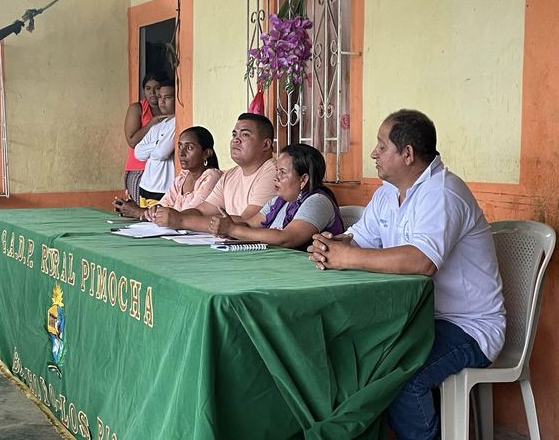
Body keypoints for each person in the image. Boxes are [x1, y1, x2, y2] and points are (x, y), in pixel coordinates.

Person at [308, 109, 506, 440]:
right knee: (355, 355)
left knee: (400, 376)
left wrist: (348, 257)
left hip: (467, 326)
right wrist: (332, 246)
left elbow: (422, 261)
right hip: (414, 318)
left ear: (408, 154)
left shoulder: (442, 193)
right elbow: (359, 240)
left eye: (381, 146)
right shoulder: (387, 193)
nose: (373, 153)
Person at [146, 113, 277, 231]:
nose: (236, 140)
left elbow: (247, 221)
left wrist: (180, 220)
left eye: (245, 135)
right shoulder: (230, 175)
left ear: (266, 145)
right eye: (234, 135)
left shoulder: (273, 171)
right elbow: (202, 211)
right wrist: (169, 215)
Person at [208, 143, 343, 250]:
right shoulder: (278, 202)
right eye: (277, 170)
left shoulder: (318, 202)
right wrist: (228, 228)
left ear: (303, 180)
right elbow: (250, 225)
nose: (276, 177)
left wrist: (233, 229)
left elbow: (287, 238)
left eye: (282, 172)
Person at [114, 126, 221, 218]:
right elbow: (163, 206)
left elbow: (190, 216)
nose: (181, 153)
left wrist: (139, 212)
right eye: (180, 146)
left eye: (189, 147)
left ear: (206, 153)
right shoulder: (183, 177)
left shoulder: (212, 177)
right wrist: (139, 210)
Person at [123, 73, 166, 203]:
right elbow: (132, 141)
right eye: (148, 89)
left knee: (158, 209)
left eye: (157, 88)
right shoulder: (138, 108)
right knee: (139, 209)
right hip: (139, 169)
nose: (152, 92)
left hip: (161, 170)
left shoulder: (168, 108)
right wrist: (152, 123)